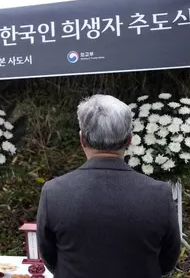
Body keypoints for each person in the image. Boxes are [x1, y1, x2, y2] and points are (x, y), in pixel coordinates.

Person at [37, 94, 181, 278]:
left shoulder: (54, 192)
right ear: (129, 139)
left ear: (82, 140)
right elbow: (167, 261)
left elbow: (50, 257)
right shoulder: (159, 194)